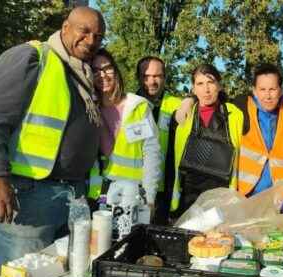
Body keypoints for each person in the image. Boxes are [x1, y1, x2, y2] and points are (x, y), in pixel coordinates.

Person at [0, 7, 105, 271]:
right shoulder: (33, 56)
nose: (91, 41)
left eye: (99, 36)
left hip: (72, 197)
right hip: (30, 197)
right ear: (65, 27)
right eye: (85, 31)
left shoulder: (81, 74)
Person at [87, 49, 161, 218]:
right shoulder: (89, 108)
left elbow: (151, 154)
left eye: (107, 68)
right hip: (99, 197)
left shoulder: (137, 107)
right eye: (95, 71)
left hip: (132, 197)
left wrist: (149, 197)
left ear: (116, 70)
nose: (102, 75)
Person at [167, 64, 244, 219]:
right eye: (200, 84)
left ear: (220, 85)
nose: (206, 90)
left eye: (211, 82)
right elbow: (170, 158)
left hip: (221, 197)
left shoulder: (235, 114)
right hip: (188, 197)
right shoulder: (182, 115)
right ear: (193, 89)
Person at [234, 63, 283, 211]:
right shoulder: (240, 107)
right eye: (262, 89)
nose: (267, 95)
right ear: (254, 91)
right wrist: (189, 100)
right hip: (247, 196)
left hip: (282, 199)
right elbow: (212, 101)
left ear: (280, 90)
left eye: (272, 89)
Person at [135, 56, 183, 224]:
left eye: (157, 76)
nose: (151, 81)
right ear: (138, 78)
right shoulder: (130, 105)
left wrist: (190, 100)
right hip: (134, 187)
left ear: (164, 77)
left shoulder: (177, 104)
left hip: (164, 190)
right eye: (146, 76)